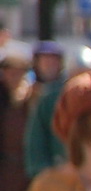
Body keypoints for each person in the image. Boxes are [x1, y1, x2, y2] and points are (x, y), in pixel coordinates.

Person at [0, 45, 35, 191]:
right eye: (10, 72)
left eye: (19, 72)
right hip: (5, 171)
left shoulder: (35, 98)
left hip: (28, 170)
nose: (14, 77)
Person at [23, 41, 67, 179]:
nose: (49, 65)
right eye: (45, 61)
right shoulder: (23, 93)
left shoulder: (65, 94)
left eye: (53, 61)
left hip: (57, 165)